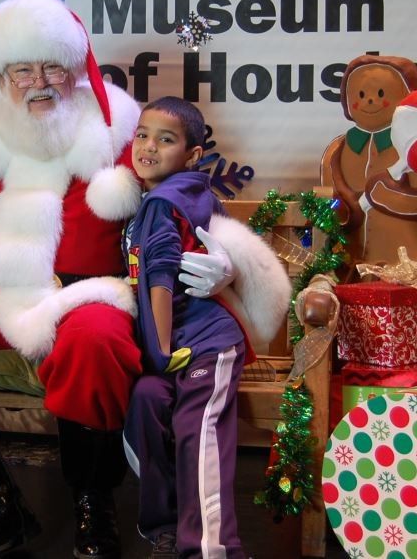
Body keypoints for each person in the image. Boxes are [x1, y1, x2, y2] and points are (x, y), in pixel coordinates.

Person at [0, 0, 291, 559]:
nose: (38, 82)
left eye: (52, 67)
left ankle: (94, 503)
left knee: (98, 340)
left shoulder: (121, 132)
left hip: (89, 296)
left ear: (75, 68)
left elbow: (189, 205)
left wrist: (228, 261)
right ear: (1, 76)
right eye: (21, 70)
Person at [122, 97, 250, 559]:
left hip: (203, 345)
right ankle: (166, 528)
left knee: (198, 430)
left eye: (166, 139)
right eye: (142, 135)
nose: (149, 146)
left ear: (193, 155)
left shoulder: (162, 200)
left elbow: (159, 277)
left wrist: (156, 353)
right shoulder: (188, 193)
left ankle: (212, 549)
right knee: (145, 401)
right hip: (175, 344)